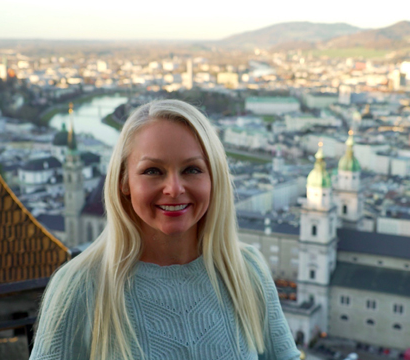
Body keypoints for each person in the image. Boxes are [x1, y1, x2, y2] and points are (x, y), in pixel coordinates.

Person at [30, 99, 300, 360]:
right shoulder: (80, 287)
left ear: (214, 178)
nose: (174, 189)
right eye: (153, 171)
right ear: (124, 181)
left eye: (192, 169)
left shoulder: (245, 271)